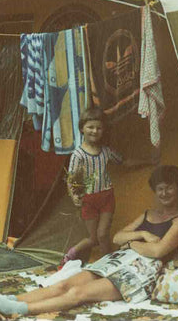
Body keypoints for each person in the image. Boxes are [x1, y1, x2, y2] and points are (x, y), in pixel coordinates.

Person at [0, 165, 178, 317]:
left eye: (169, 187)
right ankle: (14, 300)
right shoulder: (149, 214)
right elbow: (118, 237)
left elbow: (158, 252)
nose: (164, 193)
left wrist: (130, 244)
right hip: (120, 259)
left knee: (78, 293)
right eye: (160, 188)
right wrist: (142, 236)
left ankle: (21, 310)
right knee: (63, 284)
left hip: (141, 272)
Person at [62, 107, 157, 266]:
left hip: (106, 197)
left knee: (103, 234)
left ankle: (109, 264)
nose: (94, 131)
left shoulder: (106, 151)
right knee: (94, 238)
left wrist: (147, 161)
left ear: (103, 130)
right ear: (82, 129)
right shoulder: (78, 155)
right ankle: (72, 252)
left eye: (99, 128)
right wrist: (75, 198)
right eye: (90, 127)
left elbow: (125, 162)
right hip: (88, 200)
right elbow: (71, 179)